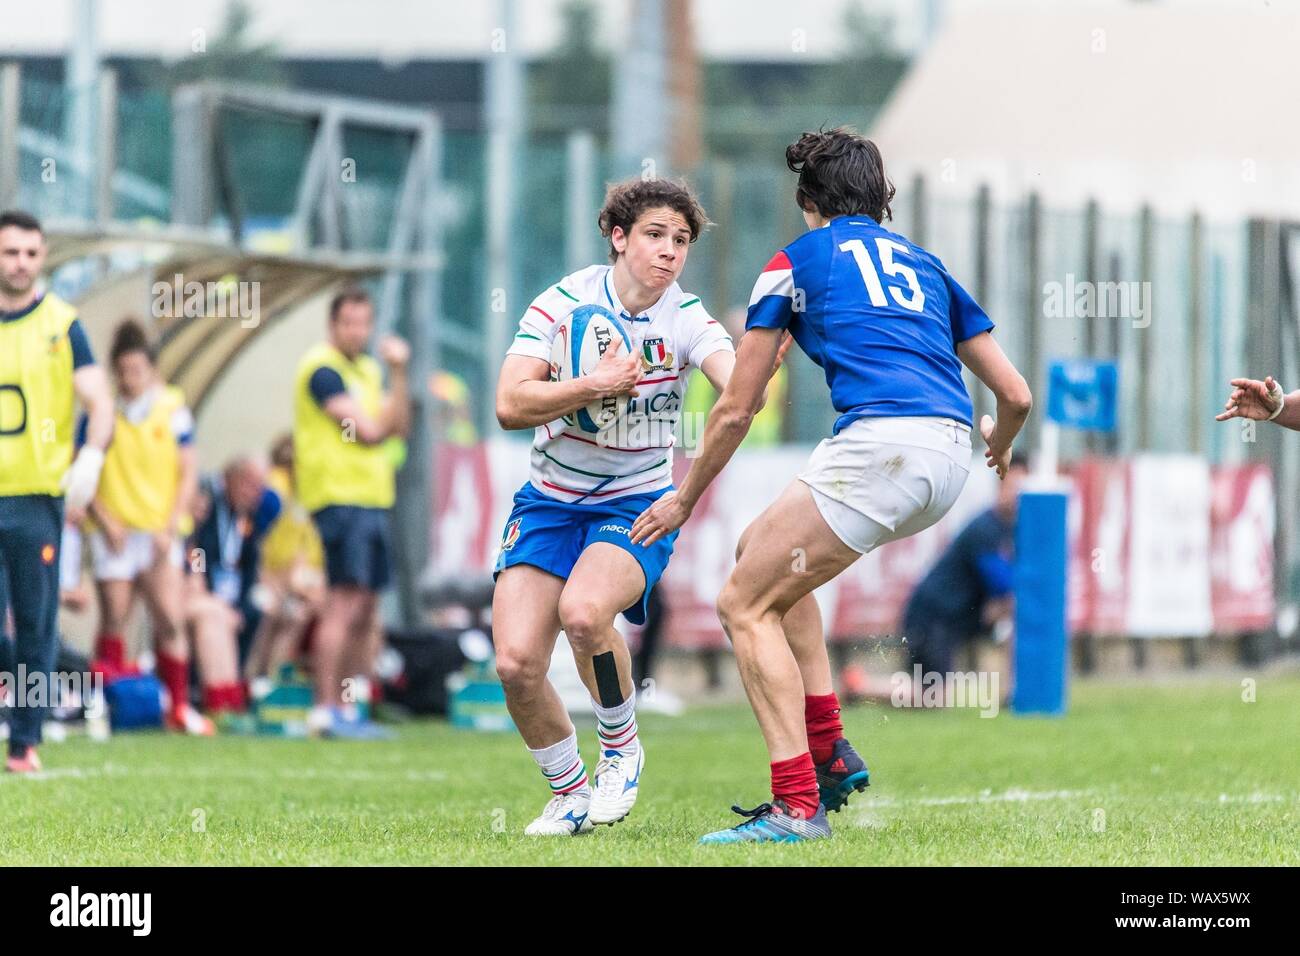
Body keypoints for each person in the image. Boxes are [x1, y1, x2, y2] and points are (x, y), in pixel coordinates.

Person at [631, 128, 1033, 843]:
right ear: (882, 199)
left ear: (806, 199)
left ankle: (794, 805)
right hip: (946, 456)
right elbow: (1017, 395)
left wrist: (684, 498)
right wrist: (997, 446)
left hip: (880, 445)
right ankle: (830, 747)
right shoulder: (926, 264)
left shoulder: (795, 260)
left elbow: (737, 406)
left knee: (741, 604)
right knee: (767, 554)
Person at [491, 176, 790, 836]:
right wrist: (590, 386)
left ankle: (621, 748)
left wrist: (758, 366)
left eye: (681, 241)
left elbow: (733, 385)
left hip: (637, 501)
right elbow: (510, 405)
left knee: (586, 611)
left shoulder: (686, 318)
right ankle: (569, 791)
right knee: (515, 664)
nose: (669, 251)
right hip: (549, 500)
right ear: (618, 238)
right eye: (655, 235)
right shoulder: (561, 303)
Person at [0, 210, 114, 773]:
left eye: (29, 253)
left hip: (36, 499)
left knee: (36, 622)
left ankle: (24, 741)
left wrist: (91, 455)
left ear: (42, 258)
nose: (19, 263)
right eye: (9, 252)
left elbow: (101, 402)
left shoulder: (63, 325)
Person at [85, 319, 215, 734]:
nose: (129, 379)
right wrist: (104, 520)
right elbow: (83, 471)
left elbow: (188, 471)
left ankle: (177, 706)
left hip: (158, 533)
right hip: (117, 533)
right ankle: (103, 708)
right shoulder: (102, 412)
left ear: (152, 369)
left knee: (170, 619)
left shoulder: (172, 409)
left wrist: (172, 525)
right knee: (114, 619)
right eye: (122, 371)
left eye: (137, 370)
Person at [293, 287, 409, 737]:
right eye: (349, 323)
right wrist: (384, 414)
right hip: (338, 499)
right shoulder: (322, 370)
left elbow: (399, 425)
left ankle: (350, 705)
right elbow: (371, 431)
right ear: (332, 325)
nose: (358, 331)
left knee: (365, 608)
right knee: (342, 603)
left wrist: (399, 373)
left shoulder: (365, 369)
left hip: (371, 498)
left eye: (364, 322)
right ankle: (325, 708)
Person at [901, 456, 1026, 678]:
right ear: (1000, 487)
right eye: (1013, 487)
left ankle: (1011, 690)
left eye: (1022, 488)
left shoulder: (1011, 531)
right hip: (932, 619)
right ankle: (859, 686)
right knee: (931, 696)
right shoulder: (985, 530)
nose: (1018, 495)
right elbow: (1003, 586)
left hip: (957, 619)